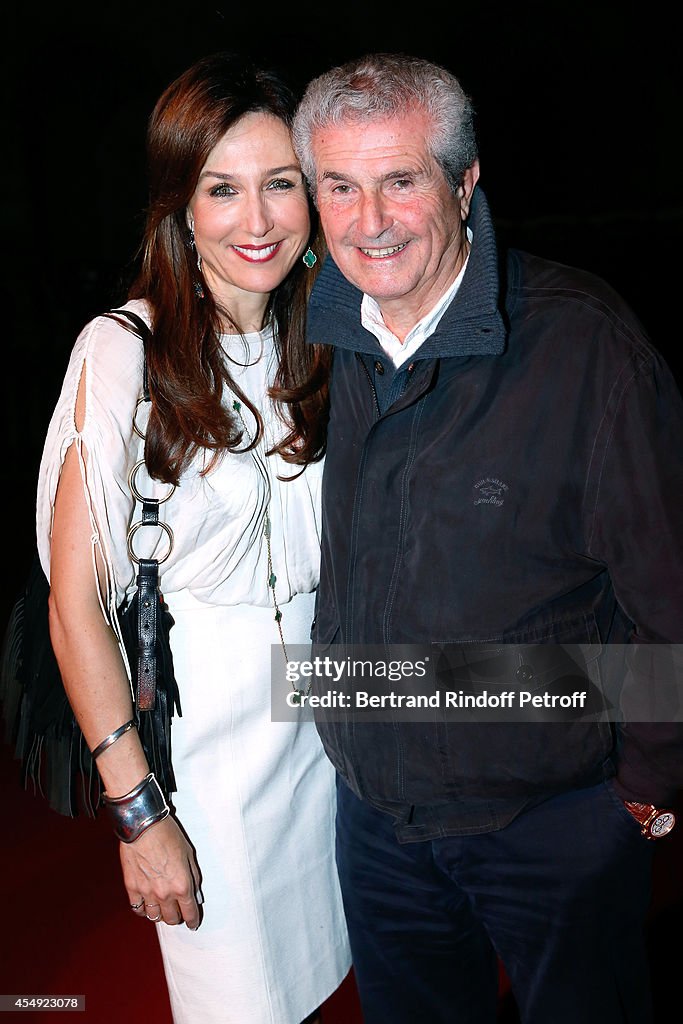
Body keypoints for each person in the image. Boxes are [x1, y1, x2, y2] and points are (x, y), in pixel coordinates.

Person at [290, 52, 683, 1023]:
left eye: (399, 180)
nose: (367, 221)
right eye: (338, 186)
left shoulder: (584, 345)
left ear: (463, 185)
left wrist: (643, 784)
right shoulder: (322, 330)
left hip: (546, 821)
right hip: (377, 820)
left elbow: (664, 591)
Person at [38, 51, 350, 1024]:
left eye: (278, 185)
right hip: (207, 767)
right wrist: (139, 812)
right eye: (222, 189)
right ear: (179, 203)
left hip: (327, 745)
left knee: (334, 986)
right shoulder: (123, 349)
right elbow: (76, 607)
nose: (255, 221)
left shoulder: (324, 337)